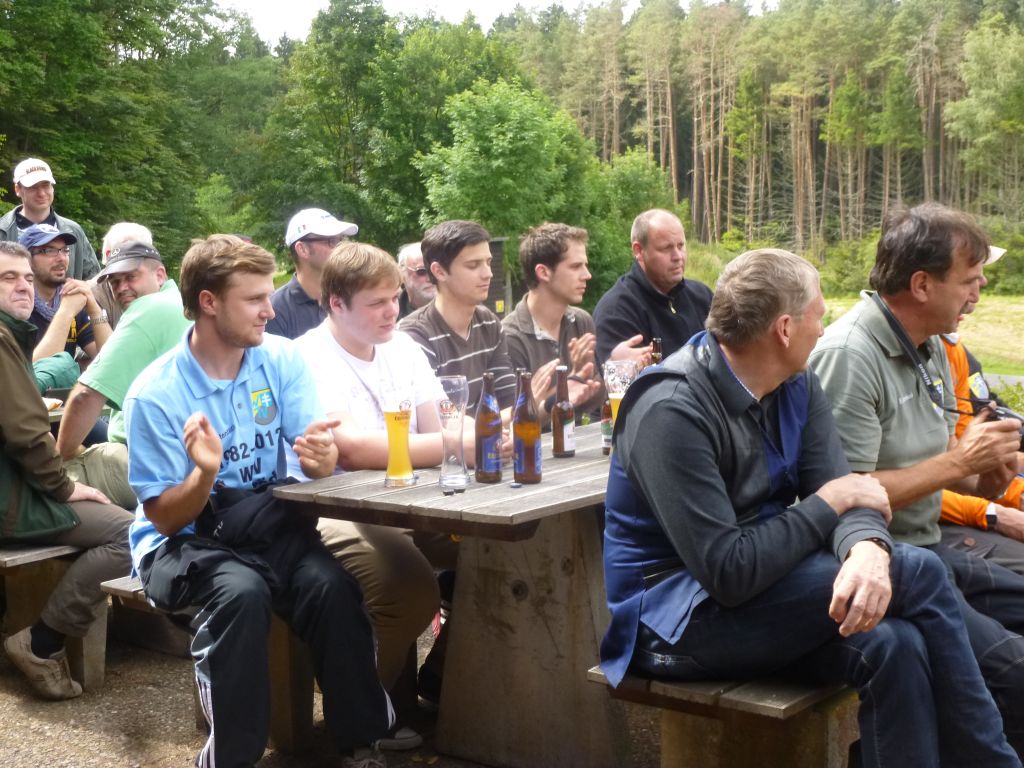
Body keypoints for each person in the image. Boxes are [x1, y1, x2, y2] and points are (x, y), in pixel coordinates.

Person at [601, 247, 1022, 766]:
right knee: (918, 569)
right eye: (818, 316)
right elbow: (729, 569)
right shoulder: (671, 408)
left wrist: (866, 548)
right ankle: (994, 759)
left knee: (895, 643)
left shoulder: (795, 381)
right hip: (675, 618)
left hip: (764, 587)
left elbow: (852, 494)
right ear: (784, 328)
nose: (824, 330)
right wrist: (830, 503)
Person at [124, 234, 392, 768]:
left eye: (269, 295)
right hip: (182, 542)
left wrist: (320, 458)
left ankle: (362, 742)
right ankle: (231, 757)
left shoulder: (280, 358)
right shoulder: (155, 394)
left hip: (261, 523)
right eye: (254, 299)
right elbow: (165, 519)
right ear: (209, 302)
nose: (271, 310)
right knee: (241, 594)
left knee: (332, 588)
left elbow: (312, 464)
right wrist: (205, 473)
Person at [810, 202, 1024, 754]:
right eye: (969, 279)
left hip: (932, 547)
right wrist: (961, 464)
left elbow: (944, 463)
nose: (978, 291)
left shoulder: (931, 345)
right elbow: (843, 498)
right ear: (922, 284)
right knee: (1015, 673)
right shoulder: (850, 355)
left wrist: (988, 477)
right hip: (885, 567)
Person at [290, 241, 464, 750]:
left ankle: (441, 680)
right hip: (328, 504)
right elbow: (354, 451)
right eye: (376, 303)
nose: (392, 311)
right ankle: (358, 713)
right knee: (408, 589)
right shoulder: (307, 357)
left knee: (506, 554)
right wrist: (459, 443)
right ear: (336, 304)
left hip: (412, 499)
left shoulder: (402, 347)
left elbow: (442, 421)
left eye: (395, 298)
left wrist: (482, 433)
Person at [0, 240, 132, 702]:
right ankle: (41, 642)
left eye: (26, 278)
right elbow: (25, 432)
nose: (23, 286)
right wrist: (63, 487)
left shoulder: (12, 337)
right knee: (131, 535)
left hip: (14, 488)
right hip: (11, 501)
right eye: (8, 278)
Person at [55, 241, 191, 510]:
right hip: (188, 460)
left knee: (36, 482)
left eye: (131, 277)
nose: (121, 288)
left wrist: (62, 456)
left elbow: (85, 395)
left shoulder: (148, 310)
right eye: (115, 282)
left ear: (160, 274)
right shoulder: (182, 303)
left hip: (147, 468)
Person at [399, 220, 519, 419]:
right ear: (439, 271)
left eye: (488, 263)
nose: (488, 274)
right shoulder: (413, 336)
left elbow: (508, 401)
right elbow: (441, 422)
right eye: (473, 265)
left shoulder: (489, 323)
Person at [501, 223, 606, 423]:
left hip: (575, 441)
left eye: (585, 265)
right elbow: (516, 421)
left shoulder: (581, 321)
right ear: (543, 272)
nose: (587, 275)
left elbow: (593, 403)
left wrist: (601, 371)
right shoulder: (509, 337)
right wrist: (568, 385)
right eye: (576, 266)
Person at [592, 208, 712, 368]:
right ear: (638, 251)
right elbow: (622, 379)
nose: (678, 256)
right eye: (666, 248)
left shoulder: (702, 296)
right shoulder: (617, 311)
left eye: (681, 246)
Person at [21, 223, 111, 362]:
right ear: (27, 259)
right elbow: (34, 370)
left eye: (65, 250)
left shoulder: (71, 297)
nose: (62, 258)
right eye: (49, 250)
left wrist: (94, 310)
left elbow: (110, 358)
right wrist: (66, 312)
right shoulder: (17, 304)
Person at [0, 158, 99, 280]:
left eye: (46, 186)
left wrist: (81, 289)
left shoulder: (73, 231)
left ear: (52, 188)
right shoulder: (2, 231)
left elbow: (95, 278)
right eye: (33, 187)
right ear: (18, 189)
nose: (41, 193)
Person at [266, 207, 358, 339]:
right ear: (302, 249)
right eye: (331, 241)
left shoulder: (352, 296)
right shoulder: (274, 311)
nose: (341, 248)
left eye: (341, 240)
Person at [91, 221, 155, 329]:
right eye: (127, 253)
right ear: (108, 254)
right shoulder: (93, 295)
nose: (122, 288)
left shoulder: (159, 290)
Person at [396, 242, 435, 318]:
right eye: (422, 271)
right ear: (401, 274)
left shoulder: (459, 307)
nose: (431, 278)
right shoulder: (390, 315)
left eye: (436, 270)